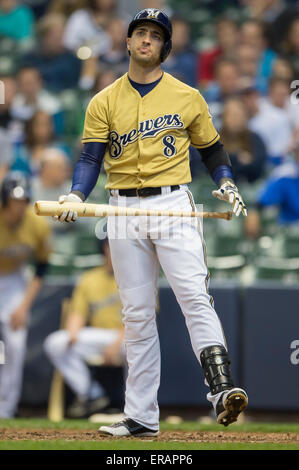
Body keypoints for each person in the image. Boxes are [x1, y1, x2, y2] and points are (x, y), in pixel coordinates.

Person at [54, 8, 248, 437]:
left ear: (165, 47)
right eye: (139, 32)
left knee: (194, 296)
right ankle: (141, 416)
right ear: (127, 42)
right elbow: (90, 159)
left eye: (155, 35)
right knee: (137, 314)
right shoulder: (103, 100)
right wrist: (75, 194)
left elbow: (213, 150)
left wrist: (227, 181)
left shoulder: (187, 96)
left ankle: (221, 390)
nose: (146, 40)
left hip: (173, 204)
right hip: (122, 208)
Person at [44, 237, 125, 418]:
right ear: (104, 250)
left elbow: (145, 321)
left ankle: (138, 408)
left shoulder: (138, 276)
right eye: (109, 248)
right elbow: (78, 313)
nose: (113, 252)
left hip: (128, 337)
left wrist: (117, 343)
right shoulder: (89, 278)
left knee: (143, 346)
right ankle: (92, 395)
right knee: (56, 343)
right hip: (100, 336)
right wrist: (72, 333)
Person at [0, 171, 51, 418]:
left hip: (15, 281)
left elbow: (41, 268)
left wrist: (23, 307)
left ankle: (6, 409)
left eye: (23, 201)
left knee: (16, 344)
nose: (19, 207)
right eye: (14, 201)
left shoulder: (37, 224)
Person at [220, 97, 267, 183]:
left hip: (250, 186)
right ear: (224, 117)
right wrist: (237, 157)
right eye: (233, 115)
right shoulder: (215, 139)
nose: (237, 120)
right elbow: (211, 163)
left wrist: (232, 165)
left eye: (241, 115)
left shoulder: (254, 138)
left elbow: (257, 167)